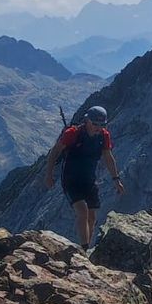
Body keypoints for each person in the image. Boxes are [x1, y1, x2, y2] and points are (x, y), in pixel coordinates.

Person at [42, 105, 124, 249]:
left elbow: (108, 157)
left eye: (102, 124)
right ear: (87, 121)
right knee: (82, 211)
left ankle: (84, 248)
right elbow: (55, 152)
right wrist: (48, 174)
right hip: (70, 179)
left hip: (89, 180)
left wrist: (116, 179)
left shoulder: (104, 136)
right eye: (95, 124)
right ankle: (84, 249)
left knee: (92, 218)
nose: (98, 127)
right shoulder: (72, 133)